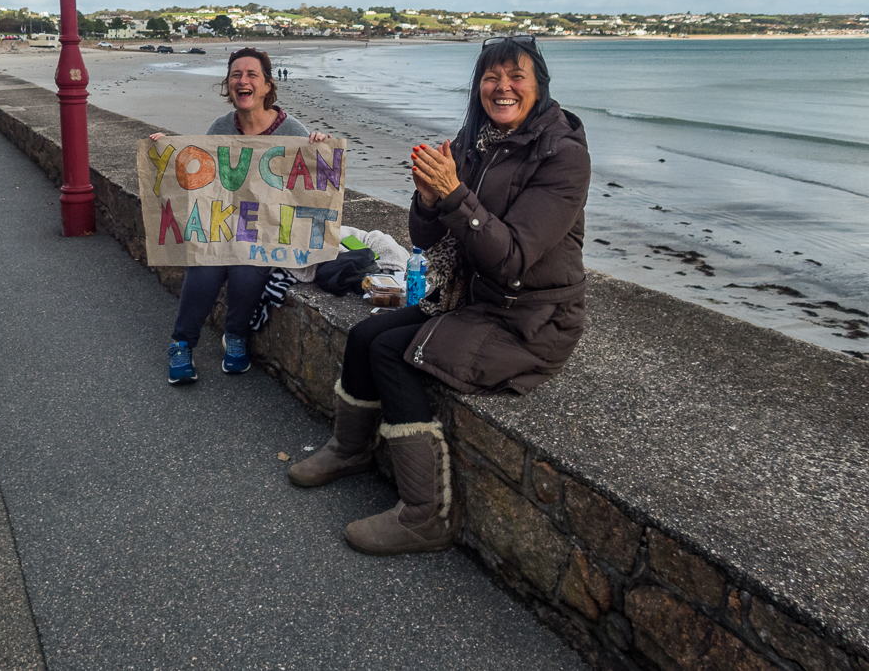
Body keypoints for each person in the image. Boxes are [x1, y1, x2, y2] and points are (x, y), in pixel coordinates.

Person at [288, 35, 590, 556]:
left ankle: (426, 515)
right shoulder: (477, 141)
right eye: (491, 77)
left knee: (393, 353)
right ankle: (349, 449)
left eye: (516, 76)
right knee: (364, 335)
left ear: (538, 86)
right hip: (473, 299)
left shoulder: (563, 158)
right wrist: (430, 199)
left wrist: (454, 195)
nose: (502, 88)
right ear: (478, 87)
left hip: (531, 320)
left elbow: (513, 258)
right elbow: (429, 240)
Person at [152, 47, 327, 385]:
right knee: (204, 270)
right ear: (228, 84)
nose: (242, 80)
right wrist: (166, 153)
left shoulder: (291, 130)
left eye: (251, 75)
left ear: (266, 86)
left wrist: (318, 146)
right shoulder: (220, 127)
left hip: (263, 232)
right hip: (222, 226)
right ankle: (181, 344)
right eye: (236, 75)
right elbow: (200, 178)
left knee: (248, 272)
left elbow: (311, 186)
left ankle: (236, 337)